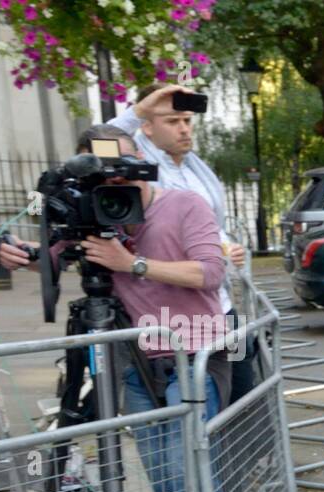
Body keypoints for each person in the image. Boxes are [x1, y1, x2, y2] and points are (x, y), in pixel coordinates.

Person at [0, 125, 229, 492]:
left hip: (193, 354)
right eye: (99, 175)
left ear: (141, 160)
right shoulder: (90, 217)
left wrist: (134, 263)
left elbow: (210, 272)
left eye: (121, 167)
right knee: (163, 472)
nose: (112, 182)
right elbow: (52, 261)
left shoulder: (185, 205)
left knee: (184, 464)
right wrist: (12, 252)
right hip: (136, 362)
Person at [109, 83, 262, 404]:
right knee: (205, 413)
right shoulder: (138, 168)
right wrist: (138, 110)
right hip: (177, 316)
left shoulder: (195, 169)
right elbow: (95, 144)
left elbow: (208, 223)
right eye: (172, 121)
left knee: (243, 384)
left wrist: (226, 245)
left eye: (187, 121)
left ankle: (246, 452)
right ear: (146, 127)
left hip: (220, 301)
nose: (183, 129)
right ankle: (218, 452)